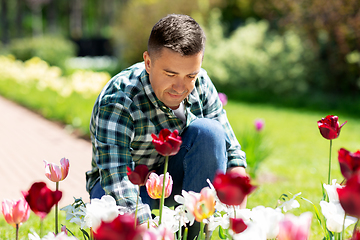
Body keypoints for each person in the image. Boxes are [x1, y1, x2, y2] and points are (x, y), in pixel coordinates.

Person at [85, 14, 247, 237]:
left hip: (173, 177)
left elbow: (231, 150)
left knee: (211, 133)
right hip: (118, 184)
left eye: (190, 75)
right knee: (114, 210)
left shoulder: (200, 82)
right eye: (170, 74)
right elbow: (117, 176)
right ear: (148, 62)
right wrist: (148, 231)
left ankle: (195, 235)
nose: (180, 87)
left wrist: (240, 211)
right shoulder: (119, 100)